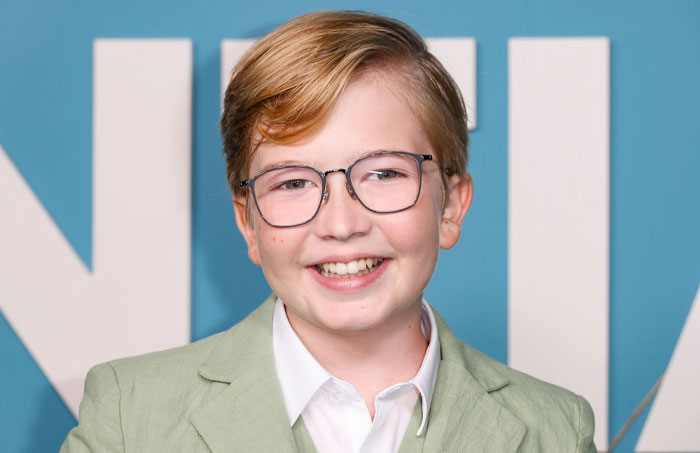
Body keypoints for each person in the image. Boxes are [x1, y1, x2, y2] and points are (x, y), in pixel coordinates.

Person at [62, 11, 595, 452]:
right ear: (249, 223)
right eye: (292, 182)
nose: (341, 224)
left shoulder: (557, 431)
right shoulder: (130, 418)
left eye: (384, 173)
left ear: (451, 205)